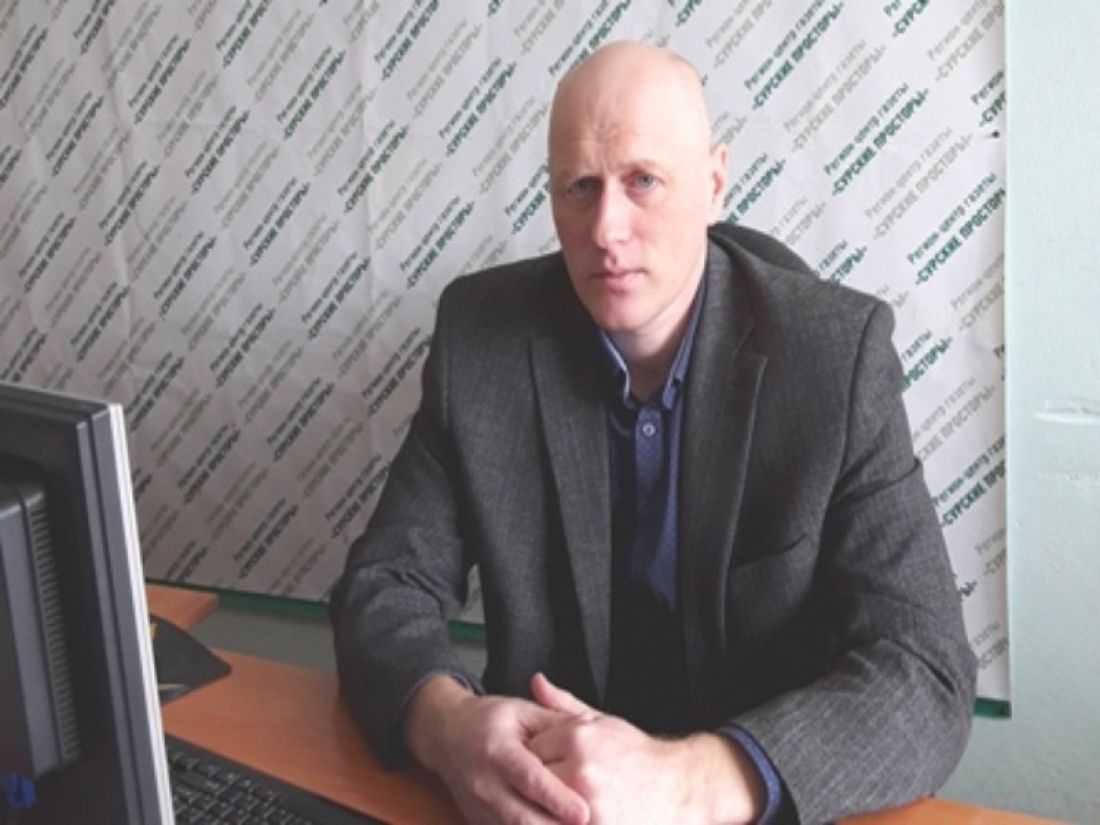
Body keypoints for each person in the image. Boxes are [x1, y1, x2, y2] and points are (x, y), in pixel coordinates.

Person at [331, 40, 976, 824]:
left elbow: (925, 667)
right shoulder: (480, 343)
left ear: (714, 183)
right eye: (580, 186)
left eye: (643, 180)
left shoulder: (835, 361)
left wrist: (688, 781)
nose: (607, 228)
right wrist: (449, 725)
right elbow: (384, 584)